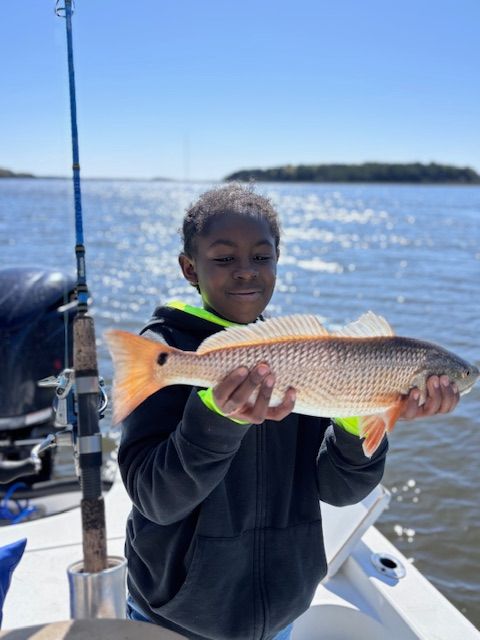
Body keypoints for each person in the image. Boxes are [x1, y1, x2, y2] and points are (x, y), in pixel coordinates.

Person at [118, 183, 459, 640]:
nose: (245, 272)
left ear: (278, 261)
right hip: (176, 616)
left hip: (282, 610)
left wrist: (362, 412)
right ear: (189, 268)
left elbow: (338, 489)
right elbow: (157, 499)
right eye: (223, 258)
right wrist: (217, 417)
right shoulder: (166, 352)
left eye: (262, 257)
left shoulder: (306, 357)